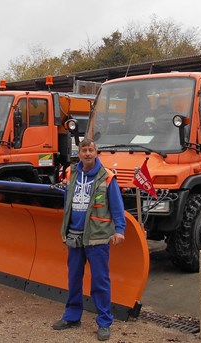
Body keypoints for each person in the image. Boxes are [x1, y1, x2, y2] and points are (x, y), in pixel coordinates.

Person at [52, 138, 126, 342]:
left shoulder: (107, 177)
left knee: (100, 281)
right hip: (74, 236)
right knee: (74, 278)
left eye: (90, 150)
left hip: (97, 237)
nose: (87, 154)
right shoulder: (71, 173)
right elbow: (67, 201)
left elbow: (117, 206)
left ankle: (104, 322)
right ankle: (72, 317)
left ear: (96, 152)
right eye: (83, 150)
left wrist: (120, 229)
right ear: (79, 153)